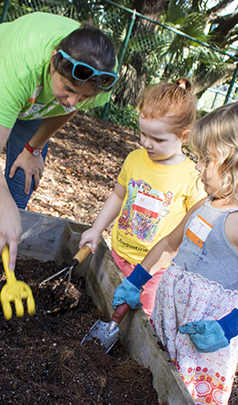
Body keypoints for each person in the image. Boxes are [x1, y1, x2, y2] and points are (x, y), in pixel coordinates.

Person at [112, 102, 238, 405]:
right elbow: (170, 244)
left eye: (207, 159)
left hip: (204, 331)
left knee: (186, 392)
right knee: (155, 378)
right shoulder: (206, 204)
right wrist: (136, 281)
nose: (198, 166)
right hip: (170, 313)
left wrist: (226, 328)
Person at [0, 12, 117, 269]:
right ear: (53, 61)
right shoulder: (20, 66)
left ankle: (1, 267)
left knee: (20, 182)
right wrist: (3, 209)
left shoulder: (99, 77)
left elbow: (68, 109)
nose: (73, 101)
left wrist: (33, 148)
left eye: (83, 97)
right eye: (68, 89)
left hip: (38, 103)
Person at [79, 79, 206, 316]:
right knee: (106, 303)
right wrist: (97, 229)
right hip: (118, 253)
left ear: (184, 136)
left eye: (158, 139)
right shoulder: (135, 159)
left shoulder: (192, 176)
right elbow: (118, 196)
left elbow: (193, 226)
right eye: (143, 134)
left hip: (153, 270)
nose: (147, 143)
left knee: (141, 320)